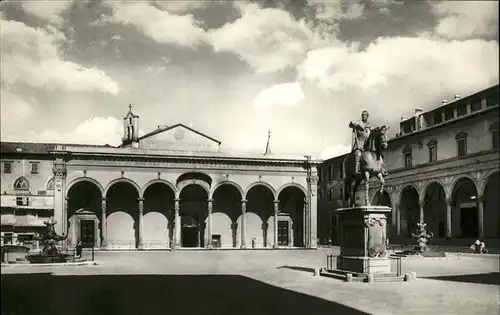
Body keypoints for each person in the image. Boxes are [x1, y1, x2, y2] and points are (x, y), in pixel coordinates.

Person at [349, 110, 372, 174]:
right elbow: (350, 124)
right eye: (362, 115)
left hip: (367, 145)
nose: (363, 116)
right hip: (359, 144)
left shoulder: (369, 125)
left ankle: (380, 168)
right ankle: (357, 169)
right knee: (358, 154)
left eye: (365, 115)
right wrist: (353, 123)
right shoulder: (359, 123)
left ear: (367, 116)